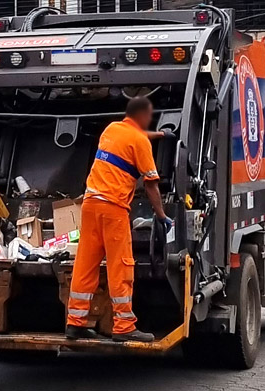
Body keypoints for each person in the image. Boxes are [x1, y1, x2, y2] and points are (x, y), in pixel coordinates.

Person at [66, 97, 172, 342]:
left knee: (86, 263)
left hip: (90, 204)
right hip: (113, 209)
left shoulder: (112, 129)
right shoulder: (140, 143)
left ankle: (75, 322)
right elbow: (152, 185)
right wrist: (161, 215)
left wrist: (158, 135)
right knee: (121, 265)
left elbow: (134, 139)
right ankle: (124, 325)